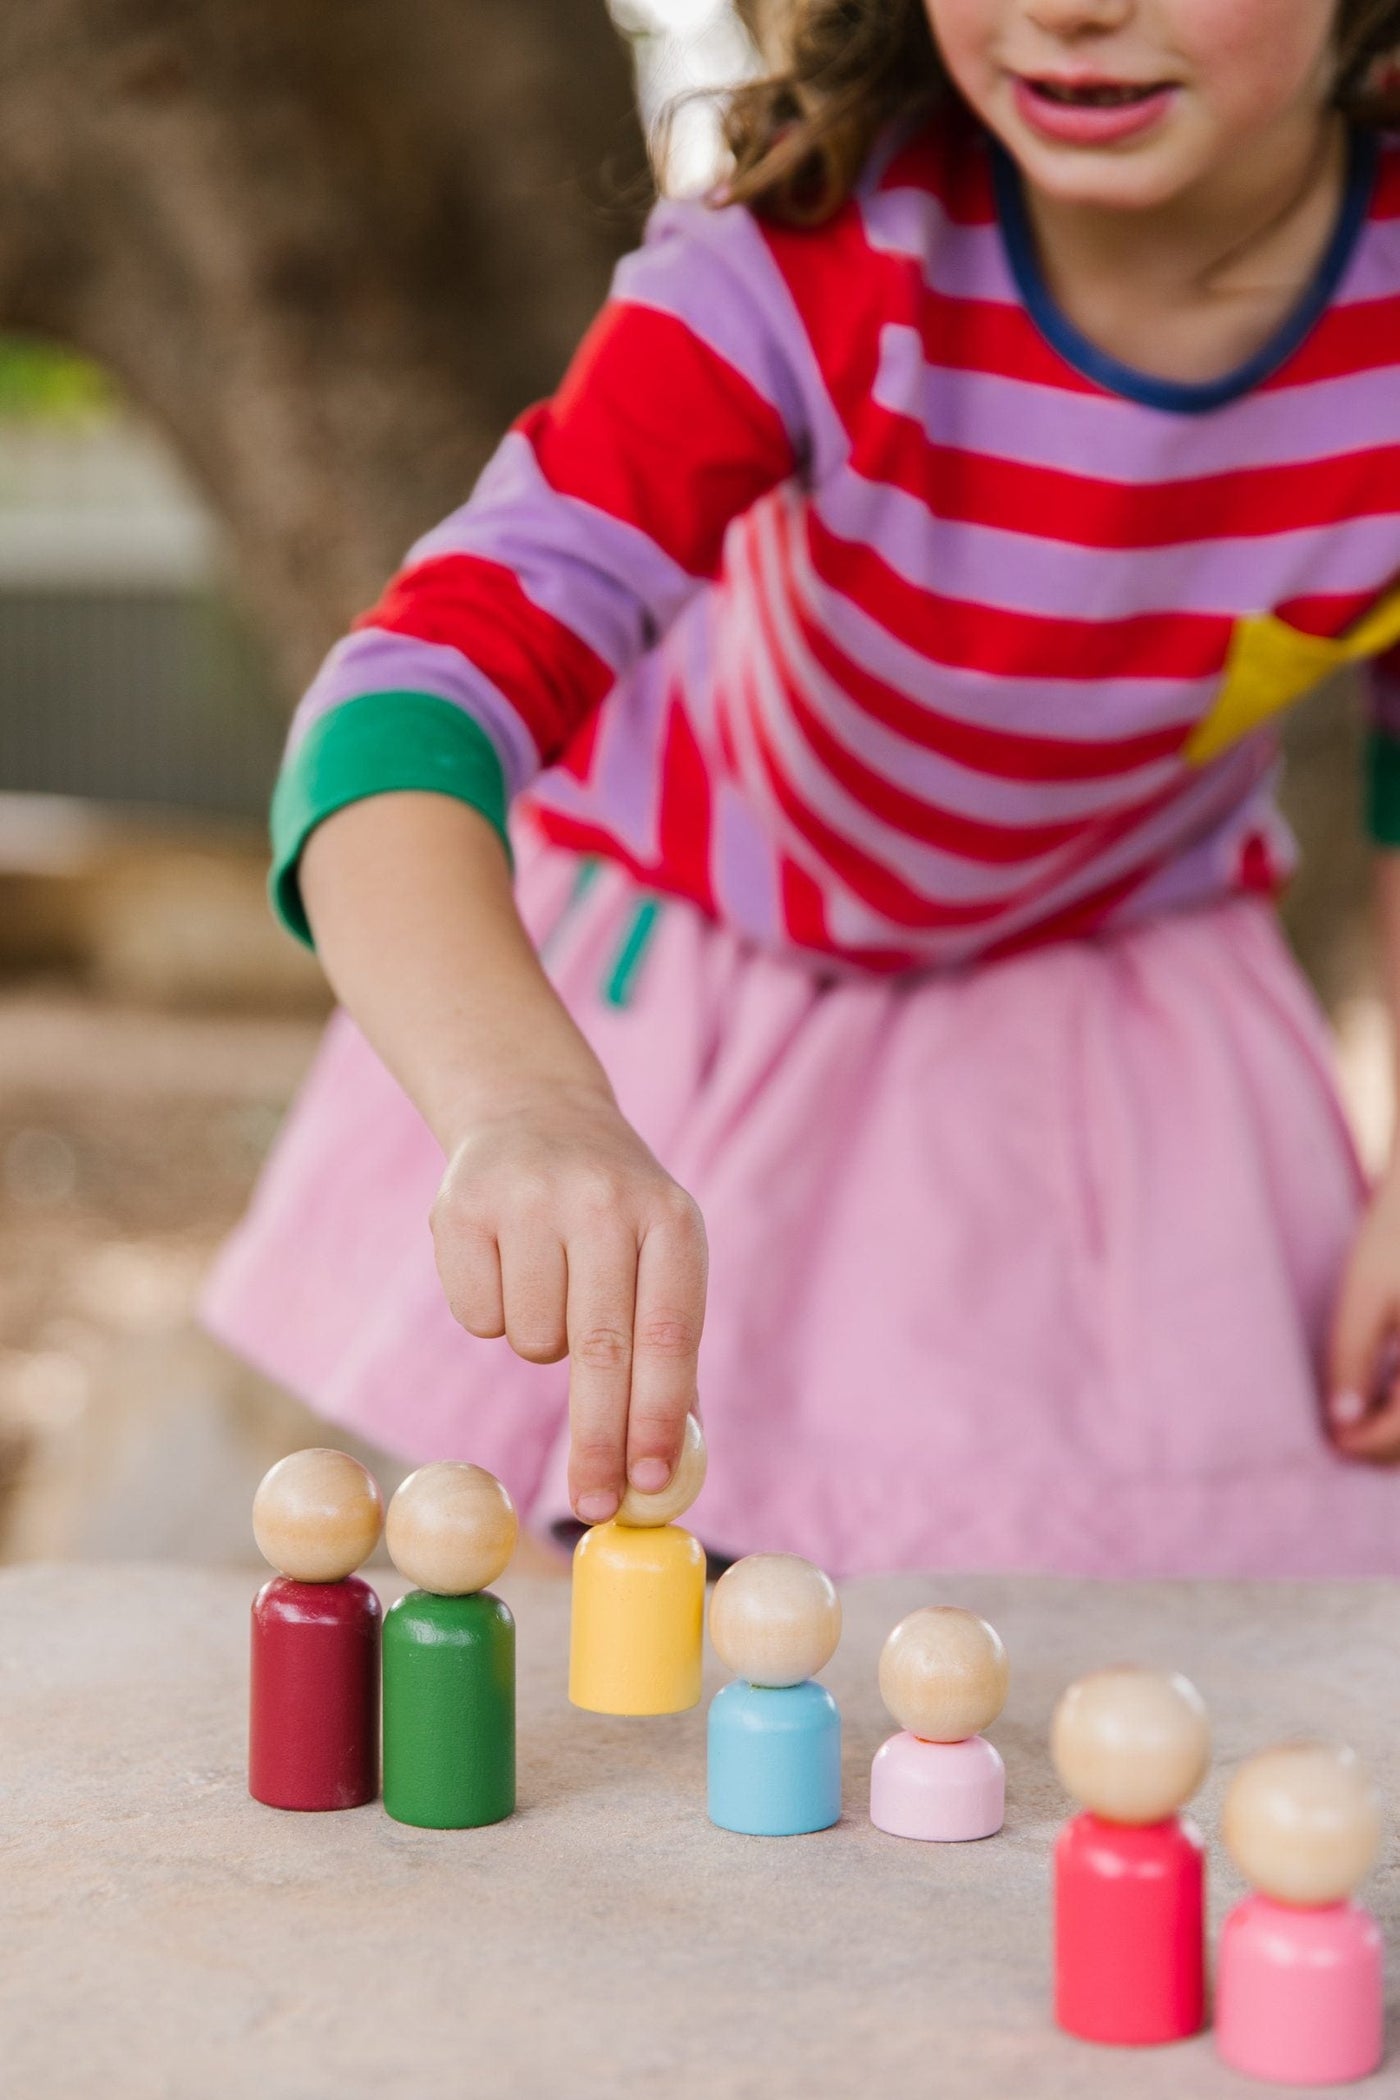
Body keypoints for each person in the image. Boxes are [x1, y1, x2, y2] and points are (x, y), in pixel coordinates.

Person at [204, 0, 1400, 1578]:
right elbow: (406, 699)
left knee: (1133, 1615)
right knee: (650, 1609)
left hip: (1109, 1032)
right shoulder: (805, 268)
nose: (1070, 6)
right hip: (711, 998)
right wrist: (527, 1101)